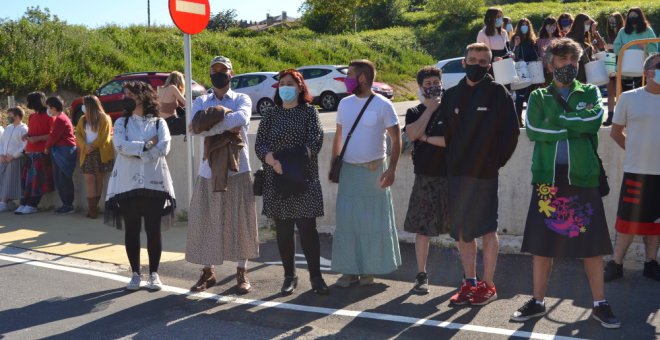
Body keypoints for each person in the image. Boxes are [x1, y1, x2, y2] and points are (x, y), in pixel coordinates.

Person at [512, 38, 620, 329]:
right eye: (562, 61)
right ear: (550, 65)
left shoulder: (589, 93)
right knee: (542, 245)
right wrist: (573, 121)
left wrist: (558, 121)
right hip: (548, 179)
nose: (568, 66)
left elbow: (594, 120)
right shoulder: (537, 97)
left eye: (573, 61)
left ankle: (600, 304)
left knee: (592, 246)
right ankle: (537, 301)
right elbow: (534, 129)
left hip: (583, 177)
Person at [442, 43, 520, 306]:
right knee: (464, 231)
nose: (477, 65)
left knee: (487, 229)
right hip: (458, 175)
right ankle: (469, 283)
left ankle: (488, 284)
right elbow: (449, 137)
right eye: (472, 60)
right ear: (464, 62)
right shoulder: (451, 95)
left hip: (485, 175)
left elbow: (511, 135)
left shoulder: (498, 93)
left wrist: (493, 163)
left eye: (483, 61)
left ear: (490, 64)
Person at [185, 56, 259, 294]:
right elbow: (195, 128)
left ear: (231, 73)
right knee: (207, 220)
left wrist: (210, 125)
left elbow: (243, 119)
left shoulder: (242, 98)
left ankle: (242, 271)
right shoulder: (202, 100)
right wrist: (223, 124)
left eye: (223, 70)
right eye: (214, 70)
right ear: (210, 74)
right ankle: (208, 273)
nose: (218, 74)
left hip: (238, 167)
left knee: (241, 220)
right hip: (209, 170)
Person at [255, 69, 329, 296]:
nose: (285, 87)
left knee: (308, 229)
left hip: (302, 179)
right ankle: (290, 275)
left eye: (290, 83)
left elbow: (315, 141)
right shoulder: (270, 114)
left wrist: (285, 162)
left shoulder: (309, 112)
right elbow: (260, 144)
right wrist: (272, 161)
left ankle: (316, 277)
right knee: (284, 231)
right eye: (282, 83)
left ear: (300, 87)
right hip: (276, 181)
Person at [330, 59, 402, 287]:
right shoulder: (344, 104)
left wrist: (391, 169)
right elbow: (339, 136)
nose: (346, 80)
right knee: (348, 223)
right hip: (349, 172)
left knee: (373, 223)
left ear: (362, 78)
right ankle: (349, 271)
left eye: (350, 75)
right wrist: (334, 166)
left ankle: (369, 270)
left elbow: (396, 139)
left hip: (374, 172)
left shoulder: (383, 105)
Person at [105, 81, 176, 291]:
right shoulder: (121, 123)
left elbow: (165, 146)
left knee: (153, 230)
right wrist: (147, 146)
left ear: (142, 96)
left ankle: (154, 273)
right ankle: (135, 273)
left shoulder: (158, 123)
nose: (125, 97)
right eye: (124, 93)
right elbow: (120, 145)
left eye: (130, 93)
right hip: (127, 184)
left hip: (154, 182)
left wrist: (141, 152)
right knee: (132, 229)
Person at [605, 54, 660, 282]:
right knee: (627, 220)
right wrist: (636, 150)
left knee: (657, 222)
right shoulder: (629, 98)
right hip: (636, 171)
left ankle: (651, 262)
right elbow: (616, 132)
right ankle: (616, 263)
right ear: (647, 72)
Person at [402, 66, 450, 294]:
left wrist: (427, 137)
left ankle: (468, 276)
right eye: (427, 84)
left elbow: (452, 141)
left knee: (460, 229)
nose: (432, 87)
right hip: (425, 177)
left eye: (435, 82)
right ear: (421, 88)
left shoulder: (451, 109)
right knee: (422, 230)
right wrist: (429, 111)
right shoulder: (414, 111)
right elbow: (411, 135)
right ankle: (421, 275)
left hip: (451, 176)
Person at [15, 92, 54, 215]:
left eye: (30, 102)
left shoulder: (49, 116)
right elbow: (32, 132)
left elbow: (53, 135)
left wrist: (37, 139)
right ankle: (24, 203)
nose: (28, 105)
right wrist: (27, 135)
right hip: (30, 152)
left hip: (41, 153)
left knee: (38, 181)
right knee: (27, 181)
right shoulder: (32, 117)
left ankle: (32, 205)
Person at [75, 95, 114, 219]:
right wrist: (85, 146)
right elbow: (78, 134)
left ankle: (94, 208)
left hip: (100, 152)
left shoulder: (104, 118)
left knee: (99, 180)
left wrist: (92, 146)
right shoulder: (82, 119)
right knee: (90, 180)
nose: (83, 107)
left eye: (84, 104)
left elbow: (105, 136)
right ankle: (92, 209)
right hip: (86, 153)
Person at [44, 96, 78, 215]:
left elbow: (53, 137)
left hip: (63, 151)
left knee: (63, 179)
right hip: (62, 151)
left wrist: (47, 147)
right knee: (60, 179)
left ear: (53, 108)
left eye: (48, 107)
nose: (48, 110)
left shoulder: (60, 120)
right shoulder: (61, 118)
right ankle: (66, 204)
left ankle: (68, 205)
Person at [512, 18, 539, 124]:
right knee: (520, 96)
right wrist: (517, 45)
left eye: (526, 24)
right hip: (521, 70)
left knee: (530, 96)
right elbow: (513, 54)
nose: (525, 27)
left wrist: (538, 58)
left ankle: (531, 118)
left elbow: (534, 53)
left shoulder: (532, 39)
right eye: (522, 25)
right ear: (519, 27)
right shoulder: (516, 38)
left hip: (532, 69)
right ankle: (518, 120)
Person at [0, 108, 28, 212]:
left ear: (17, 116)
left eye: (10, 115)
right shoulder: (8, 128)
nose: (8, 117)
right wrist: (1, 154)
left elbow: (24, 146)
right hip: (4, 158)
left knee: (9, 177)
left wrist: (13, 156)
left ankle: (4, 202)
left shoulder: (24, 129)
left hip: (16, 159)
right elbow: (2, 142)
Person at [602, 12, 625, 126]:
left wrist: (613, 47)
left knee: (619, 91)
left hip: (621, 62)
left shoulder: (624, 32)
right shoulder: (609, 34)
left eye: (614, 21)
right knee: (610, 90)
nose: (612, 23)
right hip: (610, 62)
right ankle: (610, 115)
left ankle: (621, 117)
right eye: (610, 21)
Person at [565, 14, 596, 84]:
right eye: (587, 23)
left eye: (589, 24)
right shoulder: (570, 37)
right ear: (580, 24)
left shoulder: (585, 36)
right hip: (573, 75)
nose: (588, 26)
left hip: (584, 75)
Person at [159, 71, 187, 135]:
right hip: (171, 123)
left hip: (161, 123)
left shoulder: (160, 88)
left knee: (181, 110)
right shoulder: (172, 88)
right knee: (190, 118)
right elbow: (187, 103)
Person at [536, 16, 561, 85]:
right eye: (550, 25)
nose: (552, 27)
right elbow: (538, 53)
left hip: (555, 69)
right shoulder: (539, 40)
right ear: (545, 26)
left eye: (554, 25)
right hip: (543, 69)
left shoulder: (559, 39)